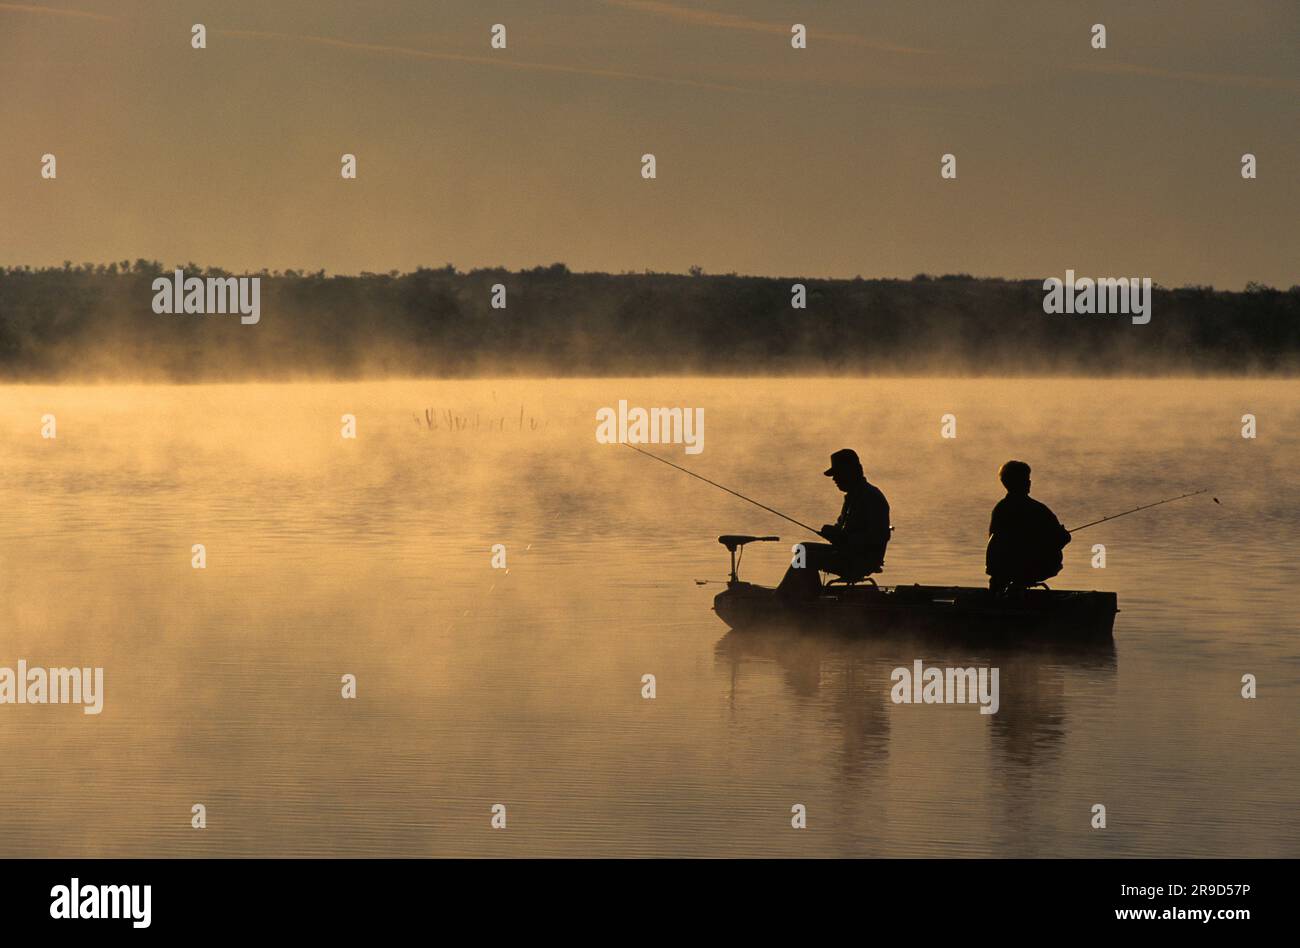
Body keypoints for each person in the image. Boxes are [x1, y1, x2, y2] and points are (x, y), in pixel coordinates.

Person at [777, 449, 891, 599]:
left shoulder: (871, 497)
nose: (834, 479)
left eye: (838, 474)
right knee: (802, 548)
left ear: (851, 472)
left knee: (806, 558)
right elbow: (843, 528)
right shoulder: (852, 497)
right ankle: (807, 593)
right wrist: (833, 533)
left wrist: (843, 538)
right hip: (847, 553)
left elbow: (878, 537)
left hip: (861, 560)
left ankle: (788, 598)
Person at [986, 460, 1071, 596]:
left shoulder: (1000, 508)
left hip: (1000, 568)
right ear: (1021, 482)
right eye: (1026, 479)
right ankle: (1019, 583)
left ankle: (999, 588)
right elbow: (1061, 539)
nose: (1029, 482)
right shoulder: (1038, 509)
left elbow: (993, 537)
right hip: (1029, 567)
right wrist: (1064, 535)